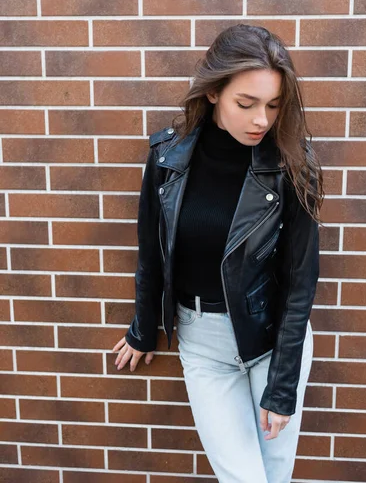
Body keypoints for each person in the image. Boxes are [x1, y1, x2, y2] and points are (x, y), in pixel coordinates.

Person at [112, 24, 325, 483]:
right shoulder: (166, 156)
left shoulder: (293, 162)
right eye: (245, 104)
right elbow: (151, 250)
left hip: (273, 342)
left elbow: (301, 276)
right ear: (213, 93)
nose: (261, 121)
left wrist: (283, 383)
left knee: (273, 474)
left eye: (273, 105)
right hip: (203, 344)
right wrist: (143, 328)